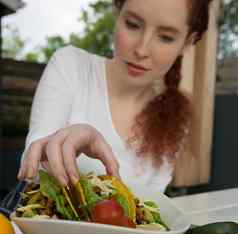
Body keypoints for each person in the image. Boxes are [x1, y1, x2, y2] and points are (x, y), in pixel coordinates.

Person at [18, 0, 214, 193]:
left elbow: (151, 203)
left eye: (165, 37)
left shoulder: (175, 117)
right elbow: (32, 170)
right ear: (117, 12)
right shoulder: (70, 66)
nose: (141, 49)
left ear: (187, 43)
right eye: (133, 25)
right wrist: (70, 140)